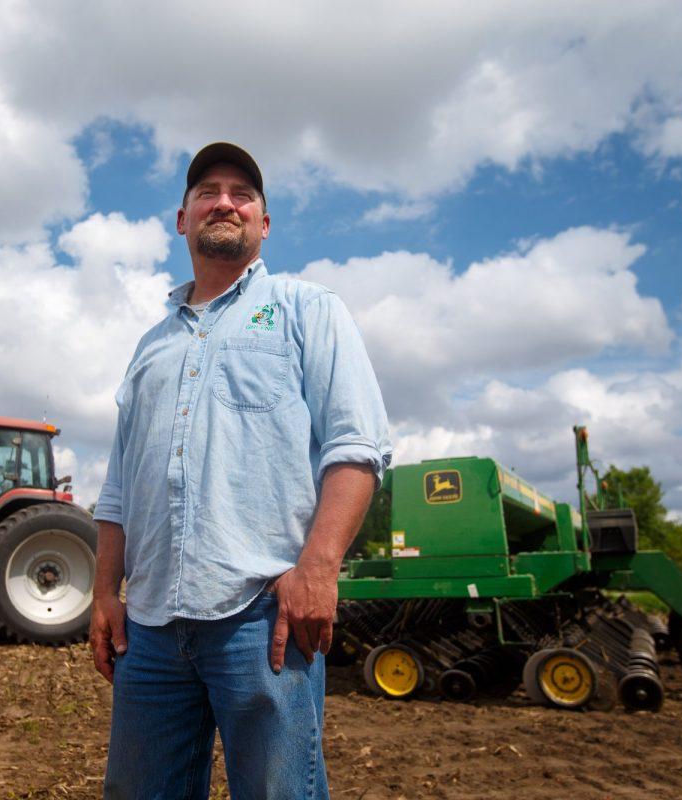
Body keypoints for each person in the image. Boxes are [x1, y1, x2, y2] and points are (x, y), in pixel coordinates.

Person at [91, 142, 391, 799]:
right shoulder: (152, 347)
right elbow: (118, 487)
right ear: (182, 219)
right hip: (150, 632)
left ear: (264, 224)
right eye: (208, 191)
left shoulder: (308, 310)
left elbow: (357, 445)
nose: (224, 201)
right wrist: (106, 592)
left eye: (242, 194)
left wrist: (318, 568)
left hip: (261, 621)